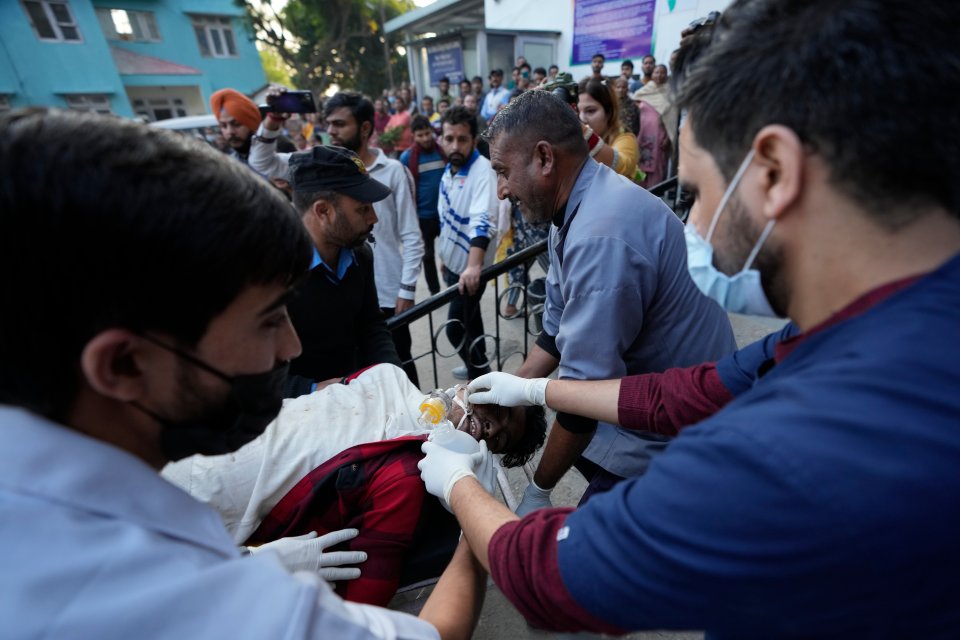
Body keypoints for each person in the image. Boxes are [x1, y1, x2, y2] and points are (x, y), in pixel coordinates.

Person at [416, 1, 960, 636]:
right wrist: (531, 386)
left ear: (775, 172)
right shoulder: (827, 339)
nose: (687, 226)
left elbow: (555, 578)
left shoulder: (780, 453)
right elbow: (693, 389)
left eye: (697, 194)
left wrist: (463, 486)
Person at [0, 107, 485, 639]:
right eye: (268, 321)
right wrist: (475, 526)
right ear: (124, 364)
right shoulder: (180, 595)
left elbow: (371, 329)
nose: (289, 346)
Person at [484, 89, 735, 512]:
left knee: (568, 558)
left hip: (680, 433)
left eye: (503, 171)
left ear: (544, 159)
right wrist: (519, 391)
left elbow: (582, 402)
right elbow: (555, 329)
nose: (502, 190)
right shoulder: (573, 204)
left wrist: (539, 491)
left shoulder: (600, 233)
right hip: (645, 404)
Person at [164, 362, 547, 607]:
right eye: (498, 409)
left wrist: (470, 518)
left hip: (190, 511)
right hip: (185, 450)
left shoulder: (406, 473)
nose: (493, 427)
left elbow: (366, 606)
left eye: (497, 439)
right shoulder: (390, 376)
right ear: (483, 385)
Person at [251, 92, 425, 386]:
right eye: (362, 209)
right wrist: (312, 389)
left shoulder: (360, 255)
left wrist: (393, 377)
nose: (374, 218)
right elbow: (250, 379)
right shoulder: (268, 274)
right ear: (323, 211)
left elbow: (371, 326)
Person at [437, 106, 498, 380]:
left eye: (462, 139)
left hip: (470, 271)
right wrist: (444, 256)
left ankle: (482, 376)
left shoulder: (483, 172)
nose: (454, 145)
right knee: (471, 322)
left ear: (474, 140)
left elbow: (482, 221)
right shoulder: (450, 171)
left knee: (454, 328)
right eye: (449, 138)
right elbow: (447, 217)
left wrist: (473, 266)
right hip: (453, 266)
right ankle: (477, 361)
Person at [401, 115, 447, 296]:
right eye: (420, 135)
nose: (425, 138)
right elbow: (405, 190)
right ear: (413, 136)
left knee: (450, 252)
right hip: (423, 217)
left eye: (427, 133)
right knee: (428, 257)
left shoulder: (443, 151)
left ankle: (453, 284)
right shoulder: (407, 158)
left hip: (445, 215)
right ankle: (435, 292)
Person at [210, 88, 294, 168]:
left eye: (237, 124)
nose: (230, 132)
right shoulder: (229, 162)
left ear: (252, 122)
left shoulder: (281, 146)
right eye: (223, 126)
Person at [579, 78, 640, 180]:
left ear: (609, 112)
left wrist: (580, 129)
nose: (582, 118)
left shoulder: (625, 138)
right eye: (576, 111)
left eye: (590, 111)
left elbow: (623, 165)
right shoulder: (571, 141)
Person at [633, 64, 678, 188]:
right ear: (652, 74)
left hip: (659, 137)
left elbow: (672, 120)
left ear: (666, 74)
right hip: (642, 136)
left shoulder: (670, 94)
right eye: (656, 72)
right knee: (639, 166)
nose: (659, 75)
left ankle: (654, 193)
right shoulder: (644, 91)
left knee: (657, 167)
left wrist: (668, 138)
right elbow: (634, 108)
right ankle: (638, 195)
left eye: (662, 72)